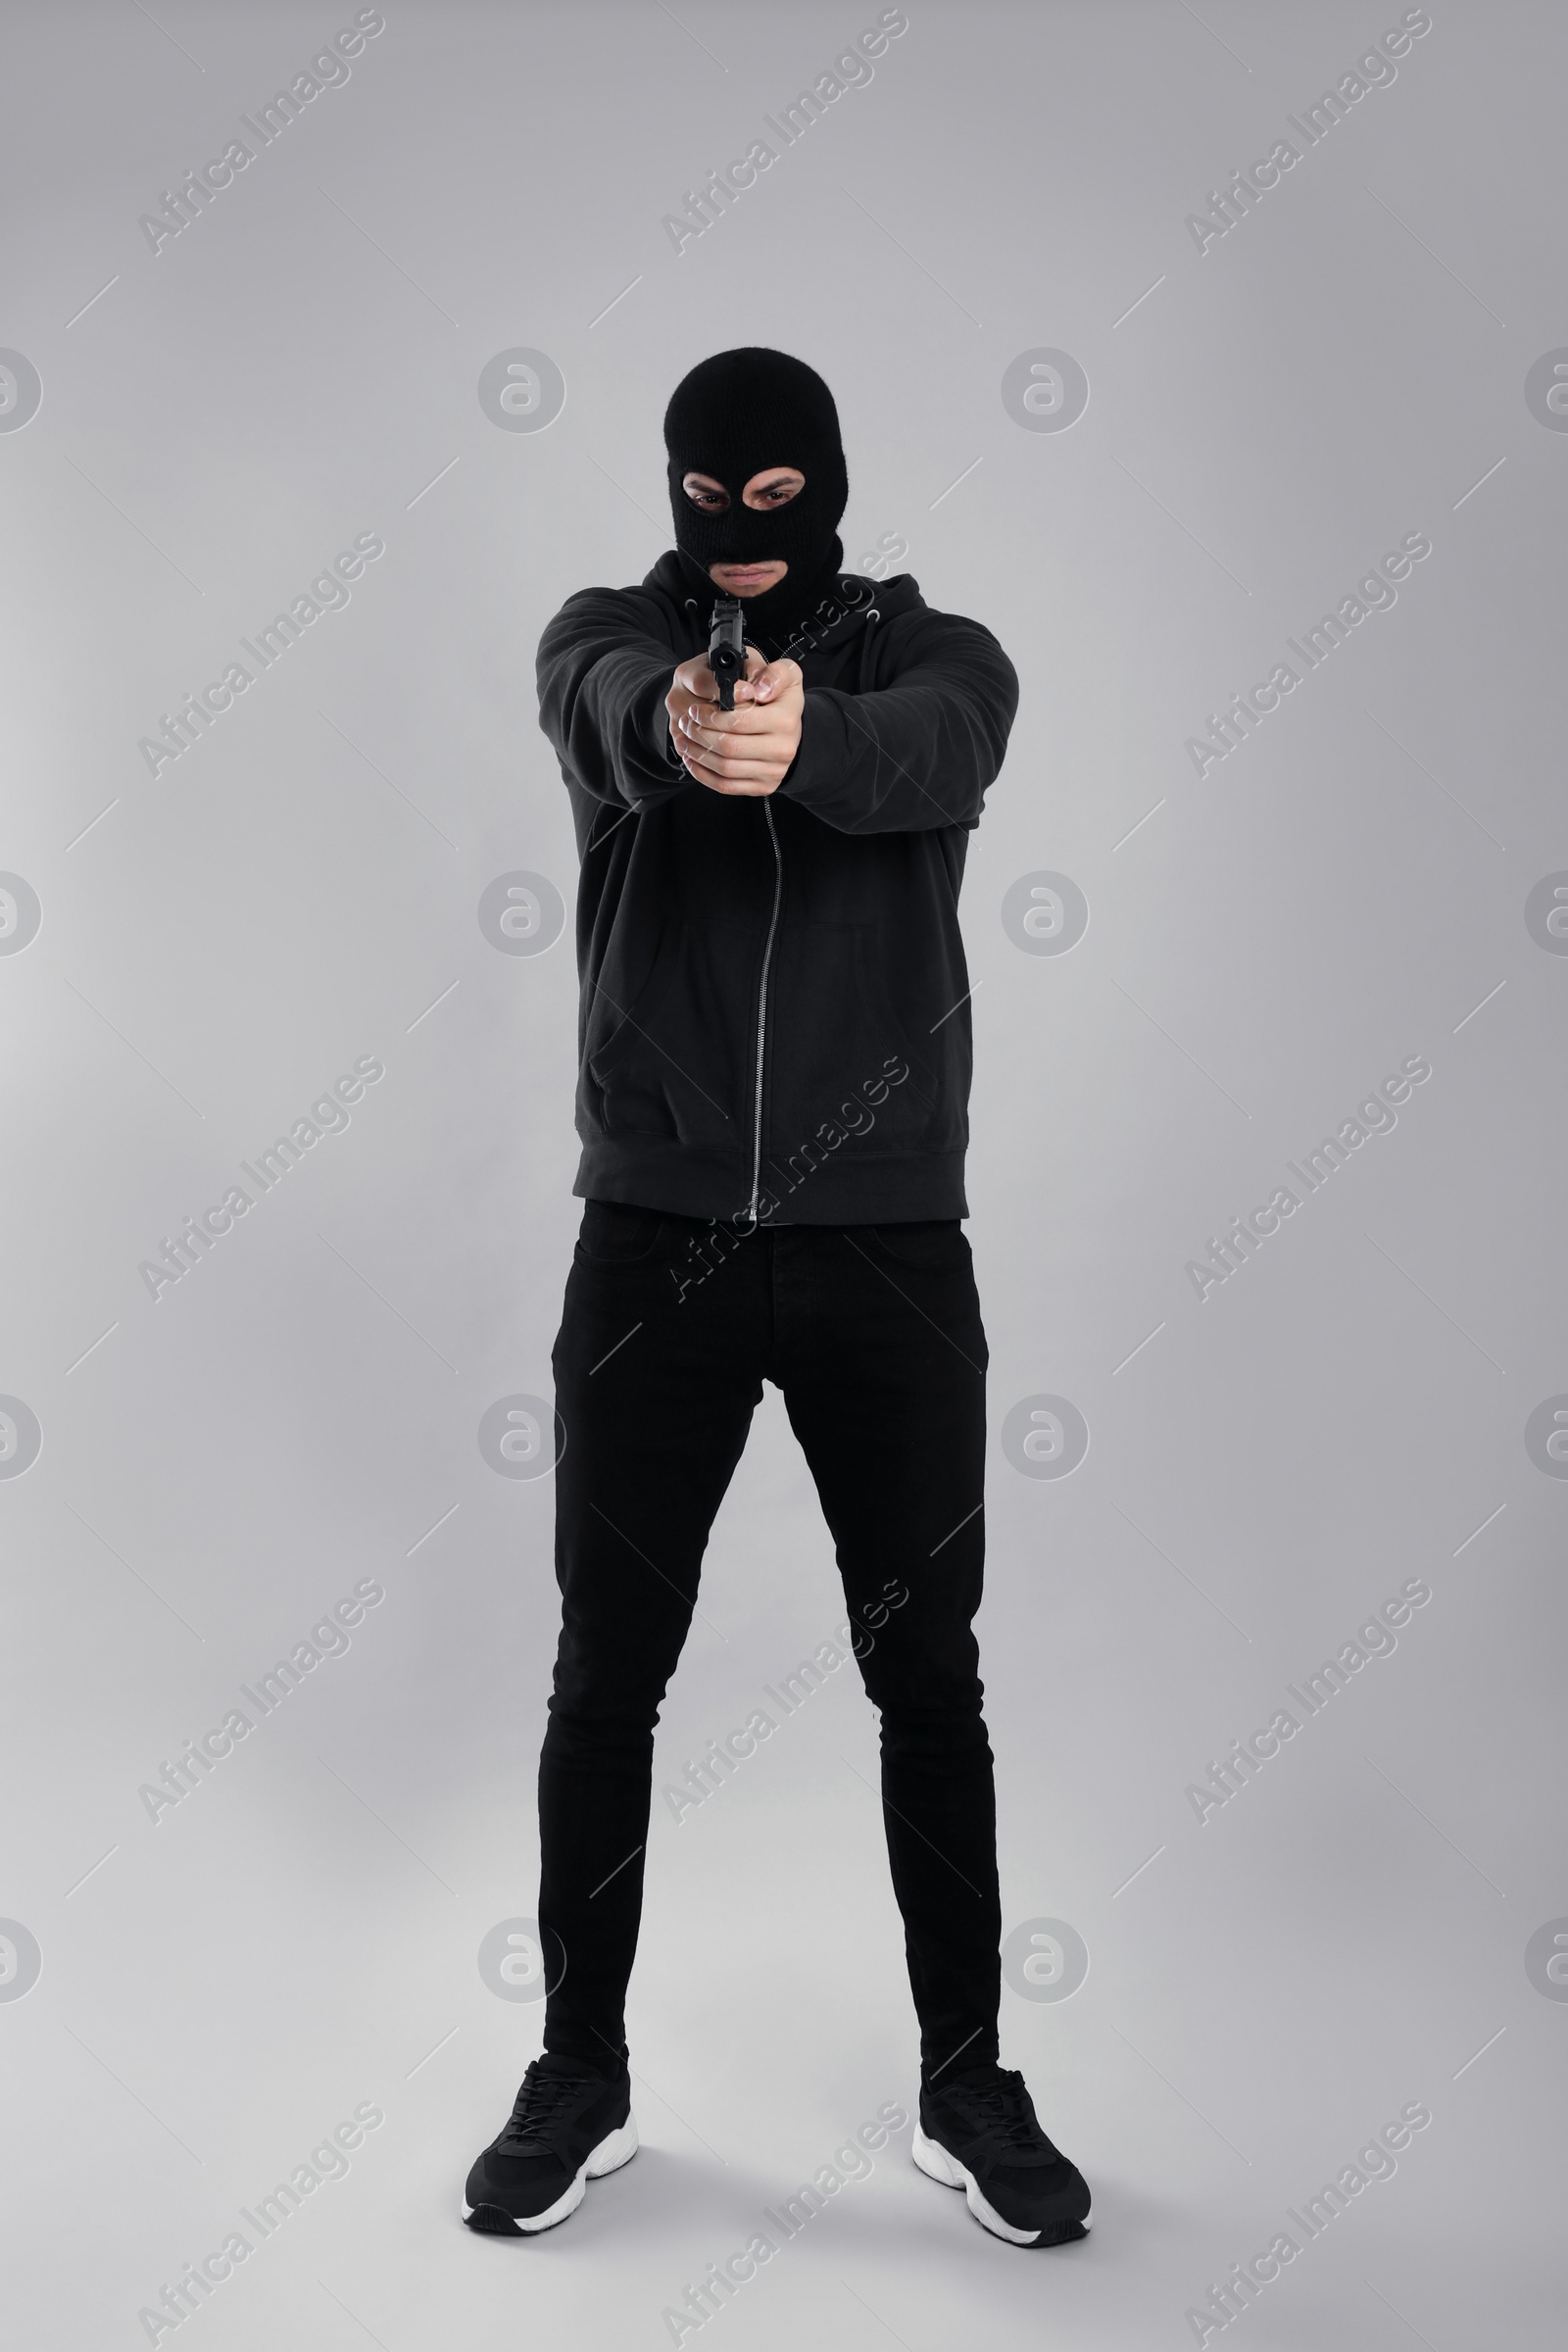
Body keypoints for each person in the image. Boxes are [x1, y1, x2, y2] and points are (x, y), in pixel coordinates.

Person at [462, 347, 1091, 2250]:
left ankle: (964, 2078)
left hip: (886, 1252)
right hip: (650, 1242)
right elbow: (596, 711)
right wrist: (678, 727)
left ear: (822, 487)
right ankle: (580, 2071)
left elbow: (938, 751)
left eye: (770, 503)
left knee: (930, 1681)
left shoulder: (936, 660)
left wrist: (804, 740)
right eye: (704, 501)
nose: (735, 542)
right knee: (606, 1678)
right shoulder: (600, 640)